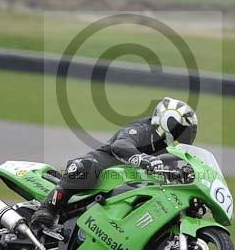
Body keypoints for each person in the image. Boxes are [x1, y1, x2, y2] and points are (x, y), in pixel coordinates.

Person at [31, 97, 199, 228]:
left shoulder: (169, 152)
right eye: (182, 132)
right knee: (86, 168)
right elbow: (121, 144)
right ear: (168, 122)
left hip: (128, 189)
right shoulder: (143, 129)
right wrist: (142, 158)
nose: (184, 138)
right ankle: (48, 208)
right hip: (103, 167)